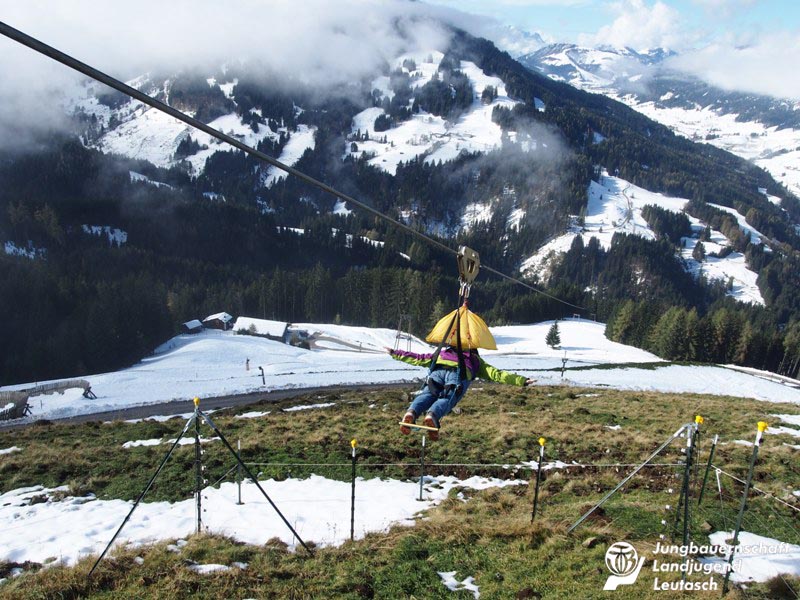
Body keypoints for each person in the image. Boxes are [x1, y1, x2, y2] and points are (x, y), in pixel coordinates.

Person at [388, 345, 534, 440]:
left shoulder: (444, 352)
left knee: (427, 394)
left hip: (437, 373)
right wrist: (522, 380)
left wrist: (395, 353)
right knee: (447, 398)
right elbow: (497, 374)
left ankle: (411, 413)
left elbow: (418, 358)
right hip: (457, 375)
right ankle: (432, 415)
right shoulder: (475, 360)